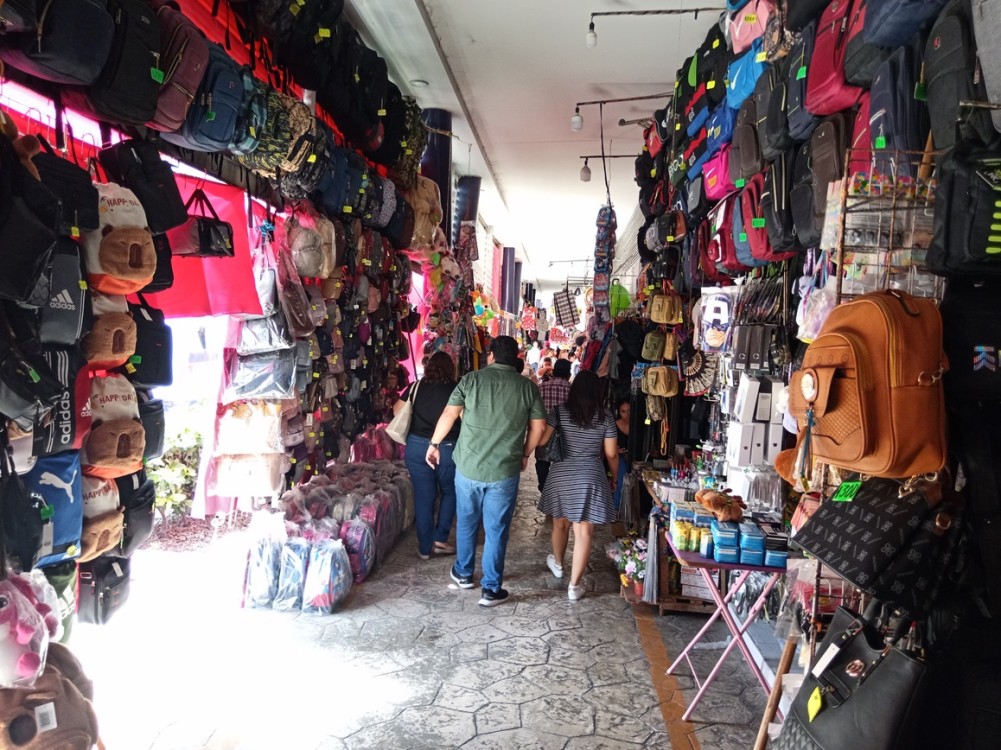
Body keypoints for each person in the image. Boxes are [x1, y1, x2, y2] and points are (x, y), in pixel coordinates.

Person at [426, 336, 547, 607]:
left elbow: (449, 413)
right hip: (504, 470)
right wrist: (525, 454)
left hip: (468, 467)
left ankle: (464, 573)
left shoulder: (470, 380)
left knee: (467, 521)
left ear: (490, 355)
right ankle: (491, 589)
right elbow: (538, 428)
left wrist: (434, 444)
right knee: (497, 530)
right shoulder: (528, 388)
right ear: (516, 358)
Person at [537, 370, 618, 600]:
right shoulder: (606, 417)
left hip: (561, 473)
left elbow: (543, 441)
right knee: (584, 532)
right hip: (591, 475)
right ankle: (574, 586)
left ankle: (559, 564)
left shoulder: (560, 412)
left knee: (560, 524)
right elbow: (612, 454)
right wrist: (614, 477)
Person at [395, 351, 460, 560]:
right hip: (448, 447)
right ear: (451, 368)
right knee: (450, 492)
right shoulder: (457, 389)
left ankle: (424, 548)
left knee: (424, 497)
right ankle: (440, 539)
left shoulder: (415, 387)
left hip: (416, 447)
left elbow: (397, 410)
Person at [535, 359, 572, 493]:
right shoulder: (572, 390)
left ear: (554, 372)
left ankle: (544, 488)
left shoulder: (541, 387)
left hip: (543, 432)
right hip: (565, 435)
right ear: (568, 373)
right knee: (561, 463)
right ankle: (558, 490)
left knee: (542, 461)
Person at [613, 398, 630, 509]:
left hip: (635, 457)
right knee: (620, 481)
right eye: (623, 411)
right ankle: (617, 507)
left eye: (629, 411)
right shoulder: (614, 425)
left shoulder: (638, 425)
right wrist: (615, 450)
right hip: (619, 457)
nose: (626, 414)